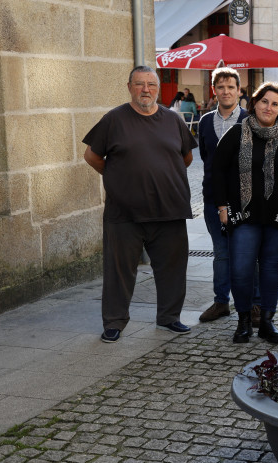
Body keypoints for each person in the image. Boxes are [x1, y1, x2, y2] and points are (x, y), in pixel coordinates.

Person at [82, 65, 196, 343]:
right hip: (125, 213)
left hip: (169, 211)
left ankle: (170, 317)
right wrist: (119, 179)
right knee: (119, 271)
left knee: (172, 268)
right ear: (129, 87)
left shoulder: (173, 119)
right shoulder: (114, 120)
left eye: (151, 84)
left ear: (158, 88)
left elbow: (186, 157)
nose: (146, 89)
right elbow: (91, 156)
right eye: (139, 84)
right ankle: (114, 322)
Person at [213, 82, 278, 344]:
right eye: (264, 101)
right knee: (241, 269)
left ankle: (267, 323)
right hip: (244, 216)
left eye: (275, 103)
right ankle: (244, 322)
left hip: (276, 216)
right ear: (254, 103)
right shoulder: (237, 133)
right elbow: (216, 171)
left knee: (271, 268)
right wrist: (222, 206)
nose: (268, 107)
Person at [196, 67, 249, 323]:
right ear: (214, 90)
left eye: (231, 87)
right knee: (221, 253)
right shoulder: (205, 121)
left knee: (248, 253)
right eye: (221, 87)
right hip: (212, 199)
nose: (226, 91)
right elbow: (207, 157)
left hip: (244, 200)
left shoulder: (250, 120)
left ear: (239, 91)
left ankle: (252, 305)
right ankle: (221, 302)